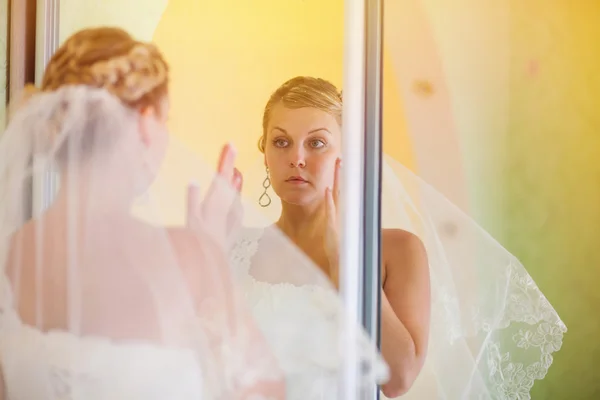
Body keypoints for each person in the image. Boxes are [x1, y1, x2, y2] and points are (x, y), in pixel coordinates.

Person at [231, 76, 567, 399]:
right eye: (281, 142)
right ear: (265, 153)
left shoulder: (397, 251)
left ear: (346, 156)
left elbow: (398, 379)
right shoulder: (238, 248)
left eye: (316, 142)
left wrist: (346, 262)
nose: (297, 158)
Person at [0, 27, 287, 400]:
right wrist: (211, 252)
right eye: (166, 121)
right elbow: (262, 395)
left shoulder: (8, 257)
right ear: (145, 123)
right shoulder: (189, 258)